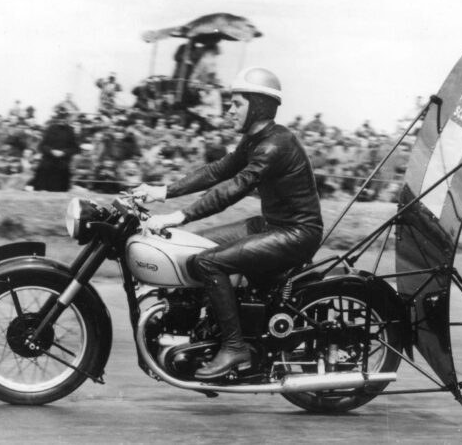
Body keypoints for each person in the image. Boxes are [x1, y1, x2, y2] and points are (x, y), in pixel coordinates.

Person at [133, 67, 323, 380]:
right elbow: (216, 171)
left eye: (237, 103)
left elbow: (234, 187)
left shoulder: (276, 145)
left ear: (259, 106)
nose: (230, 110)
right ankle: (207, 331)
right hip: (271, 225)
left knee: (208, 263)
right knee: (195, 248)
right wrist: (162, 191)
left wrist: (179, 215)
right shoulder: (254, 141)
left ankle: (234, 347)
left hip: (296, 233)